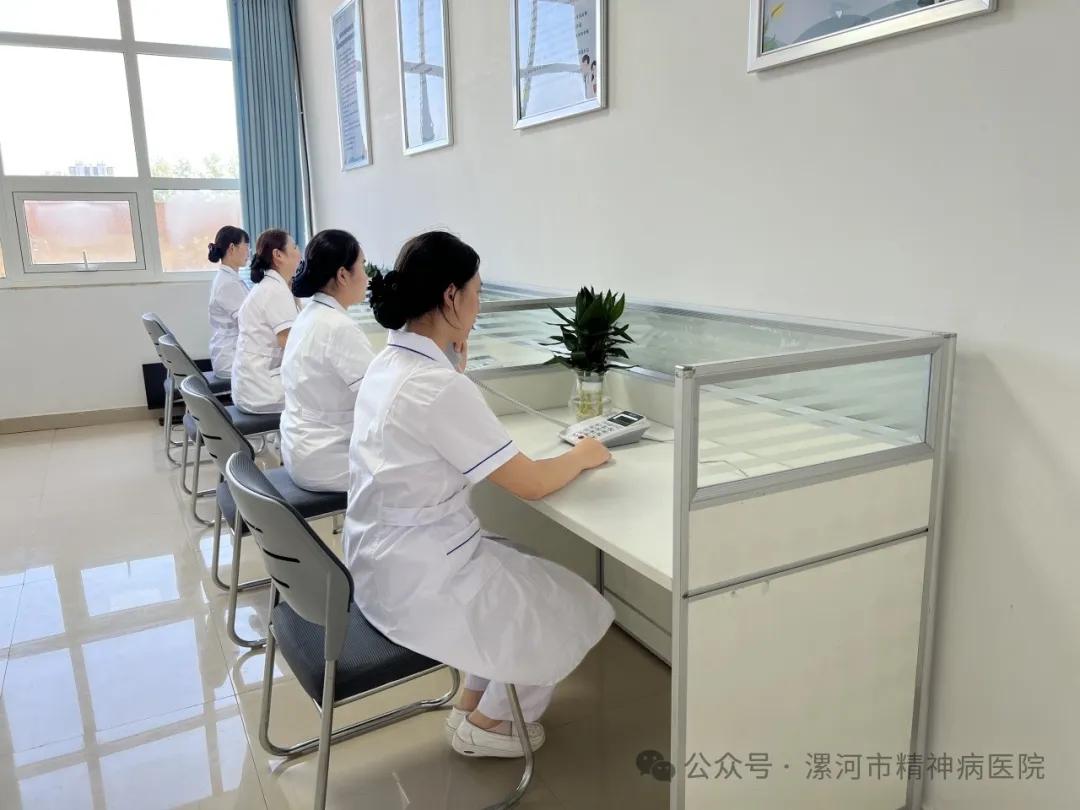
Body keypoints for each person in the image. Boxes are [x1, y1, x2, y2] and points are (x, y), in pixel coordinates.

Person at [345, 231, 615, 759]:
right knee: (562, 604)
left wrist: (452, 367)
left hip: (378, 559)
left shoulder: (388, 362)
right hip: (418, 575)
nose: (479, 306)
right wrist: (586, 452)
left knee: (520, 566)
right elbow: (532, 483)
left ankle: (471, 702)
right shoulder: (437, 386)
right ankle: (491, 725)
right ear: (451, 296)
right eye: (477, 293)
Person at [280, 230, 374, 491]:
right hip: (326, 459)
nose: (367, 277)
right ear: (343, 275)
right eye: (363, 265)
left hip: (301, 447)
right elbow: (378, 399)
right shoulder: (339, 327)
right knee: (417, 470)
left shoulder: (310, 313)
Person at [231, 229, 302, 414]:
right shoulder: (275, 291)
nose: (299, 252)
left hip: (253, 384)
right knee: (327, 399)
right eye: (295, 247)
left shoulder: (273, 286)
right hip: (262, 392)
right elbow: (289, 343)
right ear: (278, 255)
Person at [206, 226, 250, 380]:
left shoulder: (229, 278)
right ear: (232, 248)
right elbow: (248, 322)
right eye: (246, 246)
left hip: (230, 352)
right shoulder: (228, 283)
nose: (248, 252)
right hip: (231, 360)